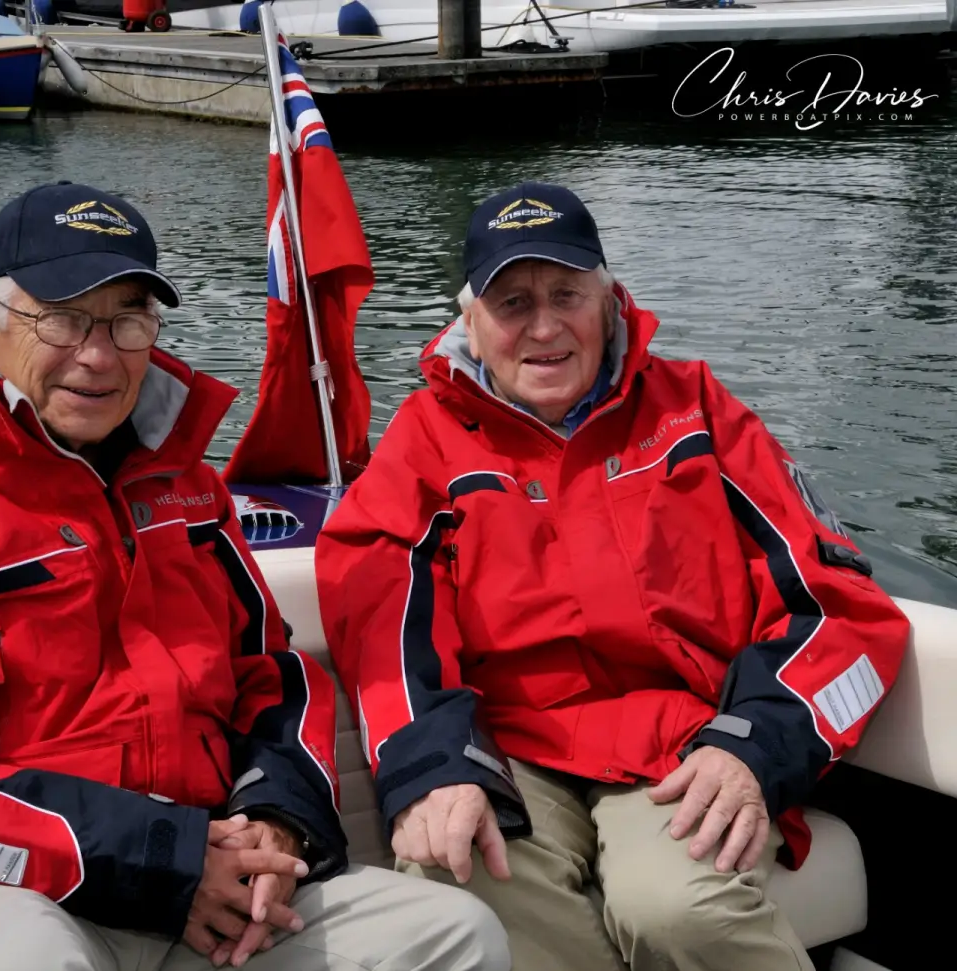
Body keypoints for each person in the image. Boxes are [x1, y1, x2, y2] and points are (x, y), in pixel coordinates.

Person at [0, 182, 511, 971]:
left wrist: (275, 818)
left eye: (127, 320)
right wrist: (162, 862)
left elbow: (273, 676)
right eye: (63, 318)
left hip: (207, 872)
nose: (99, 356)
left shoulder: (190, 492)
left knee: (454, 936)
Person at [315, 180, 911, 971]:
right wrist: (429, 770)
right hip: (516, 746)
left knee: (677, 907)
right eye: (513, 301)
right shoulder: (425, 442)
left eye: (567, 293)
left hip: (685, 740)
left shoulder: (696, 411)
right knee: (451, 879)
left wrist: (753, 747)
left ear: (610, 300)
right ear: (471, 321)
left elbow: (840, 606)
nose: (545, 325)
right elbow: (383, 619)